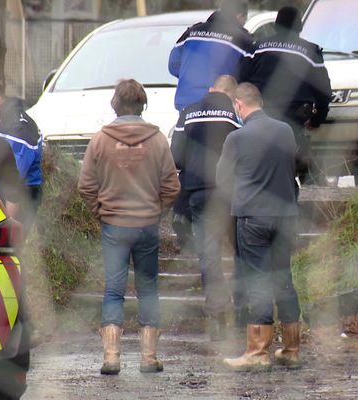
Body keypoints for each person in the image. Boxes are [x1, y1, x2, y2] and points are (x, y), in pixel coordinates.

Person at [78, 79, 180, 375]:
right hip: (147, 224)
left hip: (114, 225)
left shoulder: (100, 139)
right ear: (142, 105)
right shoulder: (158, 140)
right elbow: (171, 186)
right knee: (148, 289)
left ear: (115, 104)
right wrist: (157, 210)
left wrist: (101, 210)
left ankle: (111, 357)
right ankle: (148, 358)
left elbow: (86, 185)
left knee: (113, 290)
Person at [217, 83, 302, 371]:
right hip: (285, 215)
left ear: (239, 105)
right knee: (284, 279)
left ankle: (257, 353)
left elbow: (222, 180)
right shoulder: (285, 131)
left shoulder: (236, 138)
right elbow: (293, 168)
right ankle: (291, 349)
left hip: (252, 217)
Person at [170, 75, 240, 338]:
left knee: (209, 255)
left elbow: (176, 155)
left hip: (198, 192)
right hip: (230, 193)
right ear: (232, 96)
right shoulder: (234, 113)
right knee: (241, 251)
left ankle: (217, 315)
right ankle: (245, 313)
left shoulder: (188, 112)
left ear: (210, 89)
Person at [240, 6, 331, 182]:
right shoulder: (310, 51)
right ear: (300, 27)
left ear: (275, 26)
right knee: (294, 161)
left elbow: (242, 78)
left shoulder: (257, 47)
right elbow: (323, 91)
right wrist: (317, 119)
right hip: (294, 116)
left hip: (260, 112)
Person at [0, 75, 43, 236]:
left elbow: (13, 182)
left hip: (20, 198)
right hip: (9, 194)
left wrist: (5, 223)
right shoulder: (5, 119)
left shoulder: (17, 129)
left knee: (10, 248)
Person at [168, 0, 253, 112]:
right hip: (220, 105)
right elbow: (247, 75)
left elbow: (173, 65)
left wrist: (193, 76)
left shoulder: (191, 32)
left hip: (187, 103)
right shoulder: (243, 40)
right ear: (240, 16)